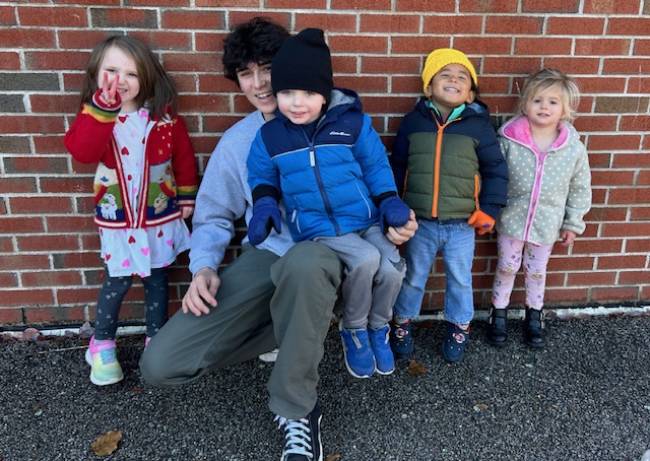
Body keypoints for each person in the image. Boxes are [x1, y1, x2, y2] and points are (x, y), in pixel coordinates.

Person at [138, 18, 416, 461]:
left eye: (267, 67)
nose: (259, 82)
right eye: (246, 73)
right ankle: (293, 334)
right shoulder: (240, 141)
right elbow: (212, 216)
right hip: (267, 255)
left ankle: (297, 409)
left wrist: (395, 220)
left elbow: (375, 182)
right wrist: (204, 267)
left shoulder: (341, 123)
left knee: (306, 263)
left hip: (330, 253)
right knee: (161, 365)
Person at [246, 28, 412, 379]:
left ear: (325, 94)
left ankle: (378, 326)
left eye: (307, 92)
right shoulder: (271, 136)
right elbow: (262, 176)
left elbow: (375, 165)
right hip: (319, 226)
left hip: (364, 218)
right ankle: (353, 328)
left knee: (391, 267)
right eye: (287, 92)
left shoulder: (352, 124)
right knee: (366, 261)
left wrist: (388, 201)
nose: (296, 102)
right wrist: (264, 206)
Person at [64, 35, 198, 386]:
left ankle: (158, 339)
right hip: (119, 222)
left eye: (132, 73)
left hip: (158, 218)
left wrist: (186, 197)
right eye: (111, 71)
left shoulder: (165, 120)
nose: (121, 80)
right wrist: (101, 111)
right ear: (96, 75)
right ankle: (102, 343)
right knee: (117, 282)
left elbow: (183, 159)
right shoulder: (93, 119)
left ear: (148, 79)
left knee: (157, 280)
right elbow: (82, 151)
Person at [389, 48, 509, 364]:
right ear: (429, 86)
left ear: (470, 92)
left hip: (462, 223)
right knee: (413, 276)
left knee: (460, 277)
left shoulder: (479, 126)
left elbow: (496, 170)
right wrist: (394, 208)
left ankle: (459, 325)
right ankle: (401, 322)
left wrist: (490, 210)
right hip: (420, 222)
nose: (454, 80)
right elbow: (398, 167)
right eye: (445, 74)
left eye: (462, 77)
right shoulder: (413, 123)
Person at [487, 68, 592, 349]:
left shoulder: (573, 149)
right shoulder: (509, 140)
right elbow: (493, 178)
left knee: (536, 271)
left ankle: (534, 315)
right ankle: (498, 312)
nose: (544, 107)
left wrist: (573, 223)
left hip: (547, 224)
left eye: (553, 102)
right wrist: (490, 211)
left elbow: (580, 188)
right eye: (537, 100)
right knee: (508, 266)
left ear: (565, 109)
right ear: (525, 104)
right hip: (511, 220)